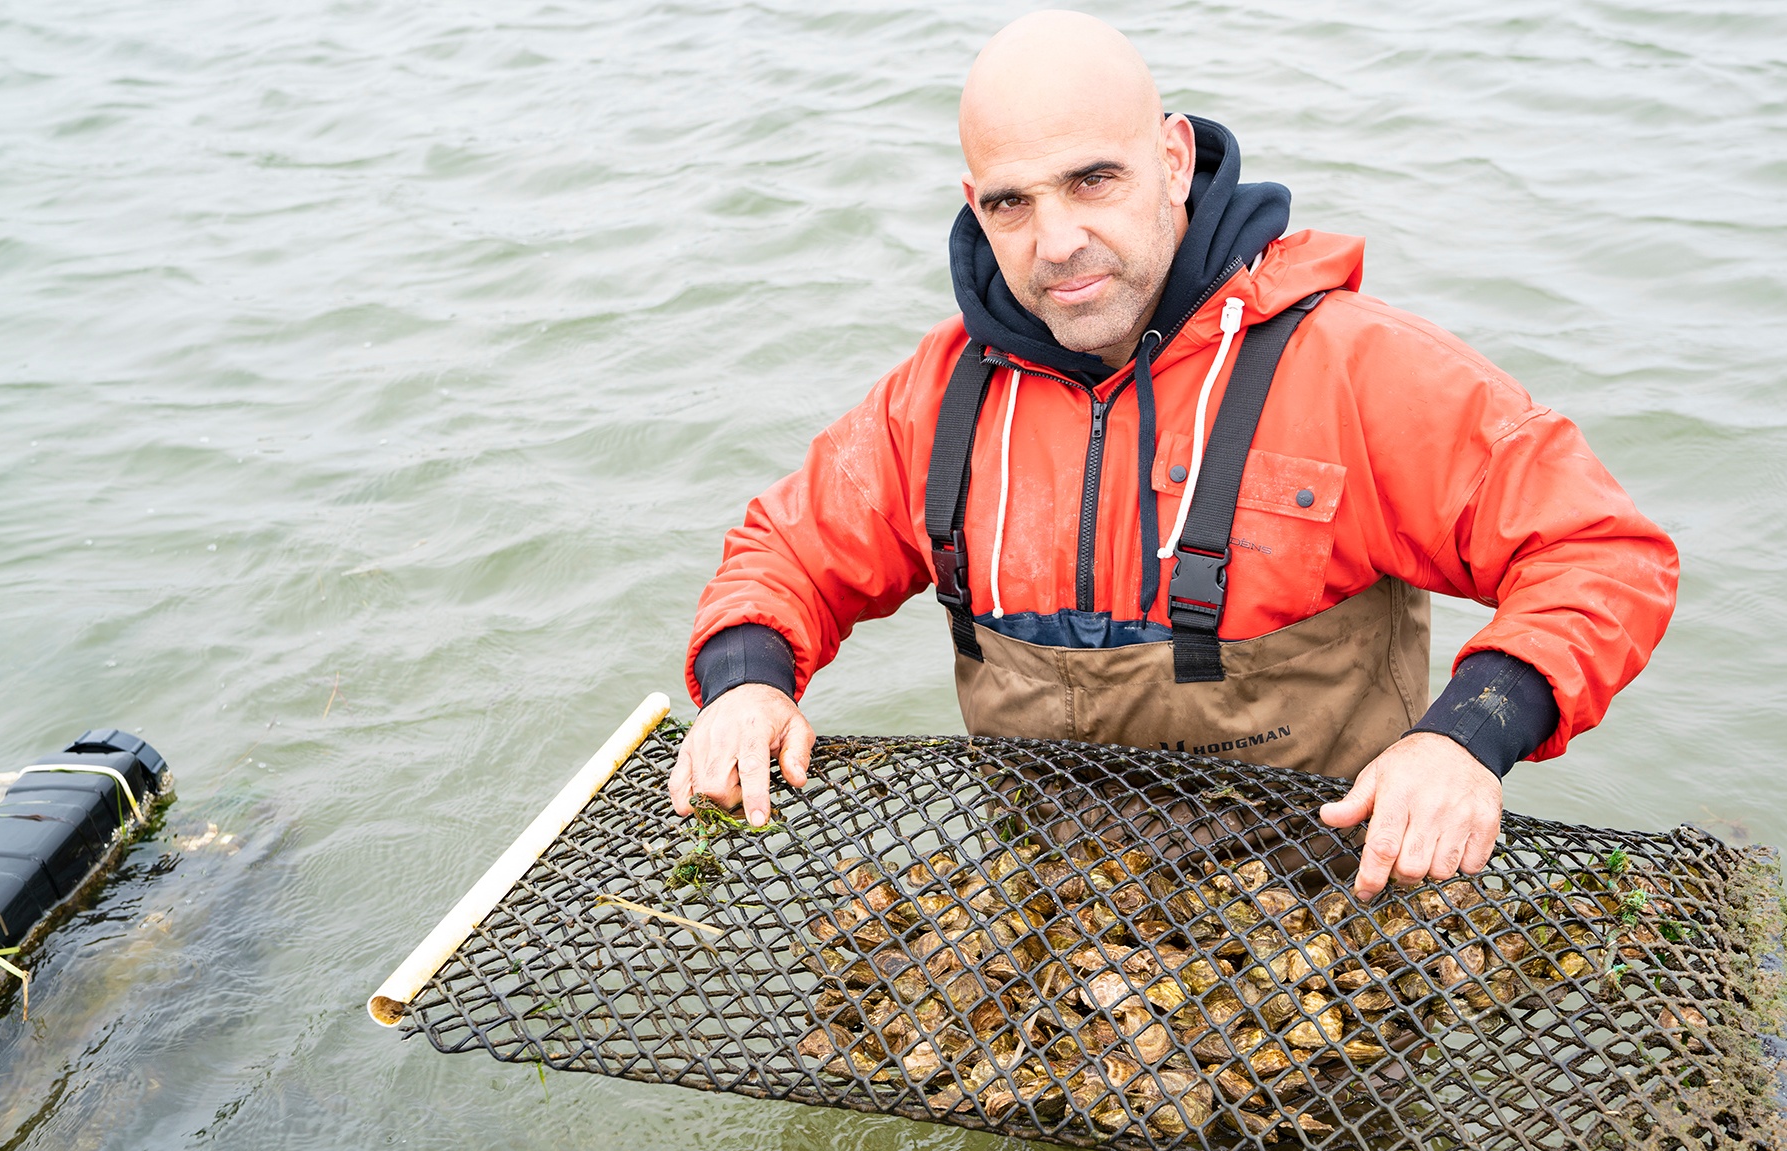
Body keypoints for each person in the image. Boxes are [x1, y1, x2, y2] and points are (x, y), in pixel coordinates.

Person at [669, 11, 1676, 902]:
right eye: (1010, 203)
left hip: (1324, 909)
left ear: (1172, 157)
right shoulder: (941, 397)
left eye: (1092, 179)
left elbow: (1598, 554)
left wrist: (1465, 736)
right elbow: (784, 553)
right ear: (971, 202)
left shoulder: (1354, 368)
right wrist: (750, 681)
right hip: (1052, 916)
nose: (1057, 241)